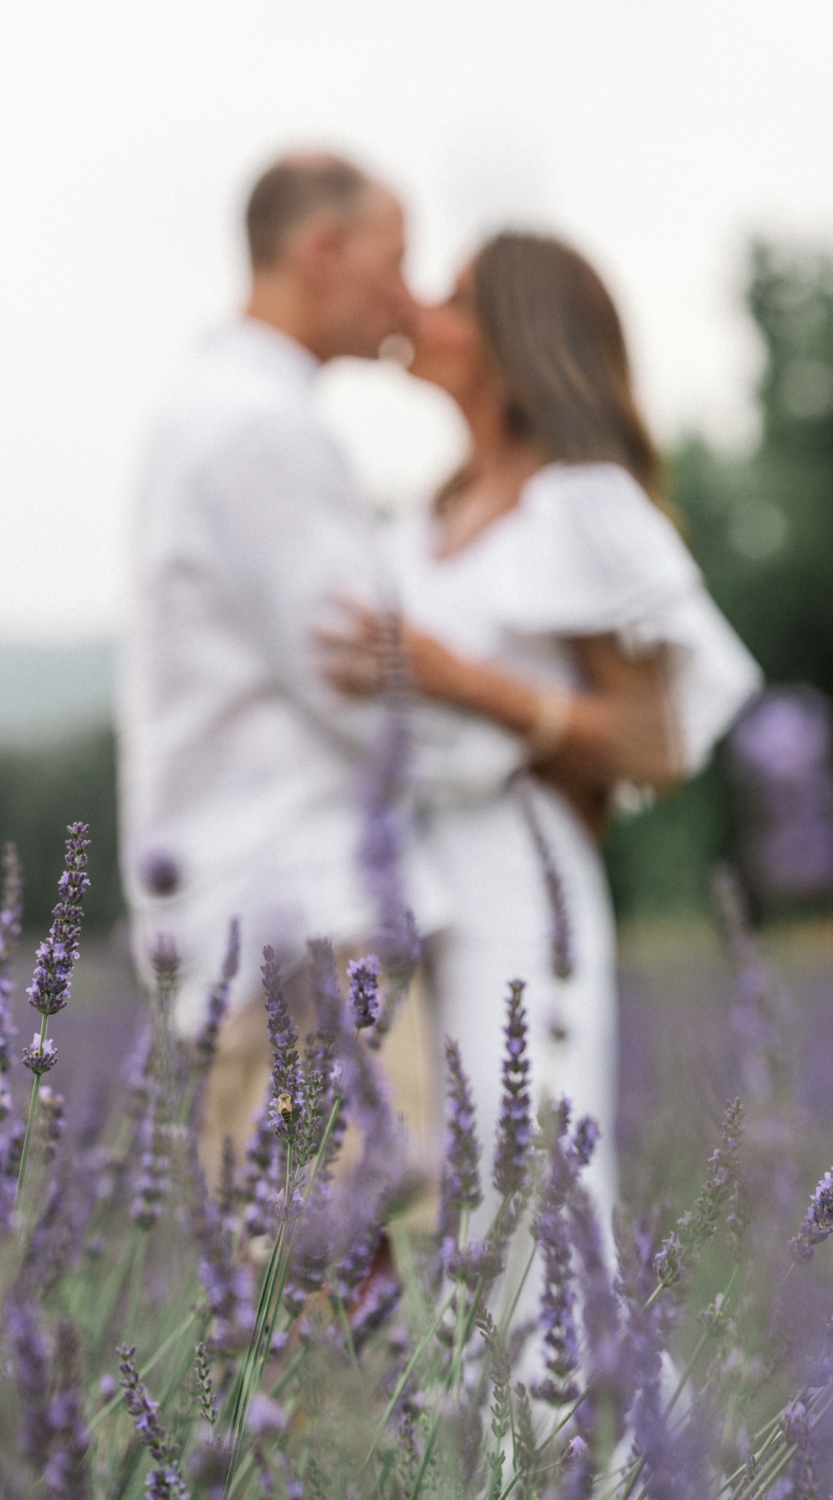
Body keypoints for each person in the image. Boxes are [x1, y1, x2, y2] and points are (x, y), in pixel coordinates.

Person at [319, 233, 763, 1229]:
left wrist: (464, 682)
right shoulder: (426, 516)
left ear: (516, 337)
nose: (424, 310)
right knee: (421, 1210)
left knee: (524, 1205)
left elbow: (659, 741)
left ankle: (571, 1390)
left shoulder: (579, 504)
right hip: (405, 883)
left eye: (458, 298)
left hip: (516, 880)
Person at [118, 154, 518, 1173]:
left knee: (277, 1305)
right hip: (314, 941)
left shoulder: (212, 409)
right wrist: (532, 732)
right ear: (324, 251)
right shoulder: (262, 429)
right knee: (362, 1307)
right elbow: (365, 689)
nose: (407, 296)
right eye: (395, 261)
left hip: (255, 936)